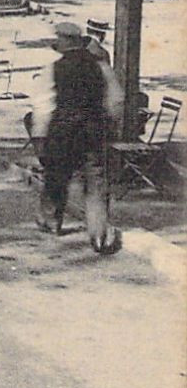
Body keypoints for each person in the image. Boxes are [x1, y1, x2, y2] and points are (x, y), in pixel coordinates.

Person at [30, 22, 123, 254]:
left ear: (63, 42)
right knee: (96, 182)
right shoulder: (101, 67)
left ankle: (50, 221)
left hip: (63, 132)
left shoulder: (53, 69)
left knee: (57, 176)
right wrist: (109, 123)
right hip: (92, 132)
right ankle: (99, 233)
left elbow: (43, 106)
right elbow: (116, 99)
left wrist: (39, 136)